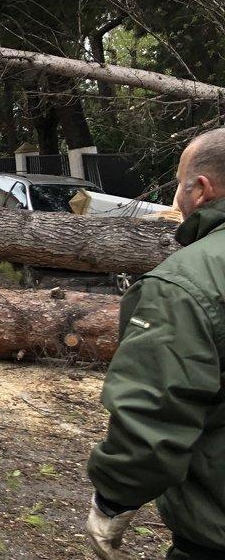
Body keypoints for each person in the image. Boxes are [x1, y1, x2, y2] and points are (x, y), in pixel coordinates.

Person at [85, 128, 225, 559]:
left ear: (200, 190)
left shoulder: (186, 282)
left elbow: (155, 415)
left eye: (179, 186)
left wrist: (113, 500)